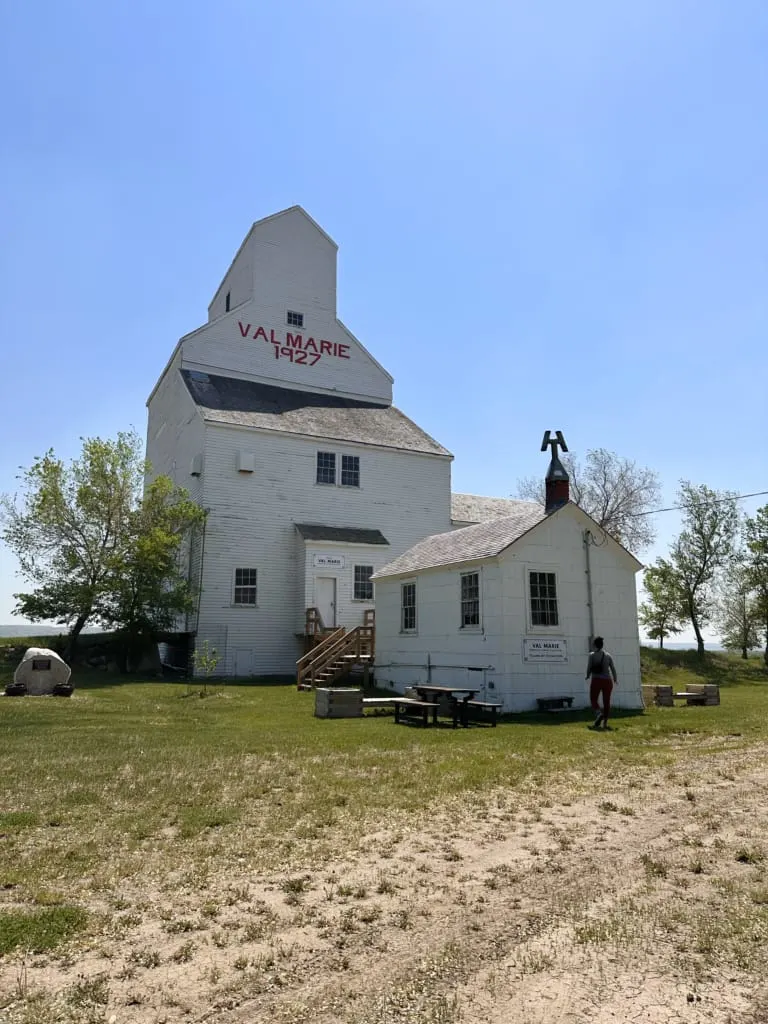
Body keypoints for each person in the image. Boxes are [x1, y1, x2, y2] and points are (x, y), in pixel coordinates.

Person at [586, 636, 618, 729]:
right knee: (606, 702)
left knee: (593, 699)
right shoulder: (608, 655)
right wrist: (615, 679)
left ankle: (599, 713)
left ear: (595, 645)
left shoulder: (592, 655)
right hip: (608, 681)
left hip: (596, 680)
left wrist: (587, 675)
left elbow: (589, 668)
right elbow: (613, 669)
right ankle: (605, 723)